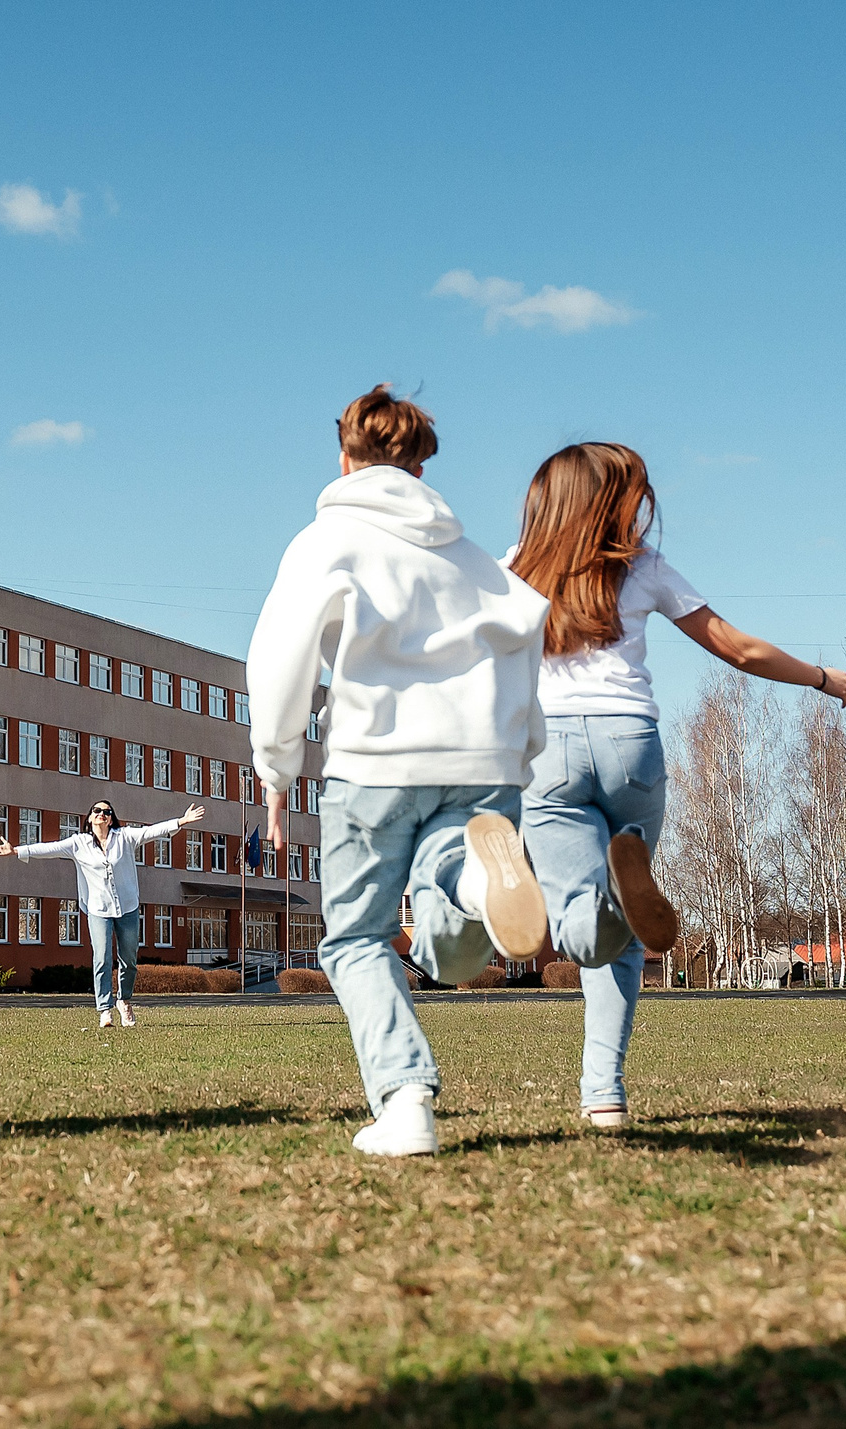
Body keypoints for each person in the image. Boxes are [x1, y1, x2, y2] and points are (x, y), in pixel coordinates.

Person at [505, 443, 846, 1129]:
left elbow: (464, 652)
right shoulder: (642, 565)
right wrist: (821, 677)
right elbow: (736, 646)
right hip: (633, 743)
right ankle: (602, 1089)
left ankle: (597, 916)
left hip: (547, 748)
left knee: (576, 913)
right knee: (627, 941)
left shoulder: (513, 566)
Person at [248, 385, 550, 1157]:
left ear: (343, 455)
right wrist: (523, 749)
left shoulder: (324, 541)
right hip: (483, 761)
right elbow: (524, 626)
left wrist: (275, 769)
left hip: (376, 763)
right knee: (453, 954)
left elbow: (279, 658)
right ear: (418, 466)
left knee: (354, 938)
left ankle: (406, 1099)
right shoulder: (472, 557)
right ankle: (478, 879)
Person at [0, 798, 207, 1027]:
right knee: (101, 957)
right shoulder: (78, 843)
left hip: (128, 907)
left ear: (111, 818)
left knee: (129, 959)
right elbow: (49, 848)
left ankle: (124, 1000)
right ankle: (105, 1010)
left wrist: (181, 821)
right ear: (90, 817)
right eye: (97, 810)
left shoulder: (124, 837)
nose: (102, 814)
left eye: (107, 811)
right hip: (98, 909)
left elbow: (151, 831)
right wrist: (16, 851)